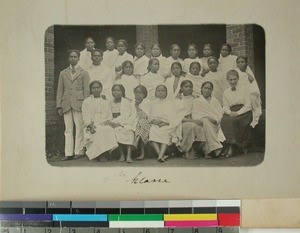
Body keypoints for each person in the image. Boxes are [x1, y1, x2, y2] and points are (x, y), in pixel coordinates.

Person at [56, 50, 90, 161]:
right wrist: (59, 105)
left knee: (80, 127)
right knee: (68, 129)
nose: (73, 59)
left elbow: (86, 91)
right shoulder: (63, 73)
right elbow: (60, 90)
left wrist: (86, 105)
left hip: (79, 103)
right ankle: (68, 152)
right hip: (66, 103)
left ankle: (79, 151)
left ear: (79, 58)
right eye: (71, 57)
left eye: (75, 57)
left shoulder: (84, 73)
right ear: (68, 58)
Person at [82, 81, 118, 161]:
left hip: (103, 123)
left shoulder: (105, 101)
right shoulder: (86, 102)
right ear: (91, 90)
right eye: (94, 88)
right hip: (91, 124)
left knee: (107, 129)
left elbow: (109, 114)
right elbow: (85, 116)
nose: (96, 90)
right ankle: (98, 154)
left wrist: (107, 122)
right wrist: (90, 125)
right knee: (97, 131)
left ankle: (104, 153)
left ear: (101, 89)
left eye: (98, 87)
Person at [221, 70, 253, 157]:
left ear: (238, 79)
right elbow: (225, 106)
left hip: (244, 112)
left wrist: (238, 113)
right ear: (227, 80)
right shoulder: (226, 92)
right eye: (230, 80)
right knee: (223, 120)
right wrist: (229, 112)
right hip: (231, 112)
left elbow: (248, 105)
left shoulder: (245, 89)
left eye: (235, 79)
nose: (233, 81)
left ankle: (232, 146)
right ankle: (227, 145)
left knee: (234, 121)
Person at [192, 81, 225, 158]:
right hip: (202, 121)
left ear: (212, 90)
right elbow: (195, 114)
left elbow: (220, 112)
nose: (207, 90)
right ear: (201, 89)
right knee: (206, 121)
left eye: (209, 89)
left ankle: (210, 150)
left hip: (215, 122)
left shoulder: (215, 100)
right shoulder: (197, 100)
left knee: (208, 123)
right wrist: (206, 117)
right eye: (205, 88)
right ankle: (215, 147)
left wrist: (216, 120)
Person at [174, 80, 205, 159]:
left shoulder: (194, 98)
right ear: (181, 88)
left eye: (190, 87)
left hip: (193, 118)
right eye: (186, 87)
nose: (188, 88)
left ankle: (198, 150)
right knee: (191, 126)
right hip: (182, 121)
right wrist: (193, 121)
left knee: (201, 125)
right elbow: (177, 116)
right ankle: (186, 150)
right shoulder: (178, 99)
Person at [106, 84, 136, 163]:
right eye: (114, 91)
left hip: (125, 123)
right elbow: (107, 114)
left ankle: (129, 156)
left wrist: (119, 123)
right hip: (113, 123)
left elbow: (127, 115)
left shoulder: (126, 102)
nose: (116, 92)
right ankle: (122, 155)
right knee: (116, 131)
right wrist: (111, 122)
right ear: (112, 92)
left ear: (122, 92)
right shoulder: (109, 102)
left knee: (129, 132)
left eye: (118, 90)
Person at [148, 85, 175, 162]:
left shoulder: (170, 103)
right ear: (155, 92)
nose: (160, 92)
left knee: (165, 134)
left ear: (166, 93)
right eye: (158, 91)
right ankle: (161, 155)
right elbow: (149, 115)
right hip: (155, 124)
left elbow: (172, 116)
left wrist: (165, 122)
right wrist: (153, 121)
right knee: (152, 133)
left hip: (165, 124)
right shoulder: (152, 103)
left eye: (163, 91)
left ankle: (160, 155)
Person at [235, 56, 262, 128]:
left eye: (242, 62)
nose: (240, 64)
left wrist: (248, 76)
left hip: (247, 93)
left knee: (251, 97)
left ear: (246, 63)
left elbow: (253, 86)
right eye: (238, 62)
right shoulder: (235, 72)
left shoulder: (248, 73)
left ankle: (252, 121)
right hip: (238, 94)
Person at [132, 85, 152, 160]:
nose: (138, 94)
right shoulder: (132, 102)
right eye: (136, 92)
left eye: (140, 93)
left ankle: (137, 141)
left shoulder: (147, 102)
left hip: (146, 121)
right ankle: (142, 153)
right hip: (135, 121)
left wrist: (137, 106)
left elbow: (145, 116)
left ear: (144, 94)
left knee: (142, 123)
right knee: (140, 125)